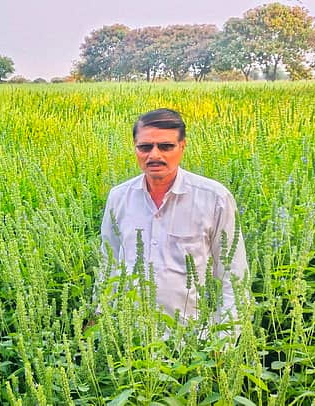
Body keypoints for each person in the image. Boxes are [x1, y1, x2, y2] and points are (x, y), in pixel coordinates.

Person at [91, 108, 247, 336]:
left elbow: (234, 275)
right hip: (130, 342)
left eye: (165, 146)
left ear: (182, 147)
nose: (154, 155)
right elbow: (109, 263)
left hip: (193, 344)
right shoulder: (119, 197)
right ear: (135, 148)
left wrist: (223, 343)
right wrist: (101, 319)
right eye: (145, 147)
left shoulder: (214, 198)